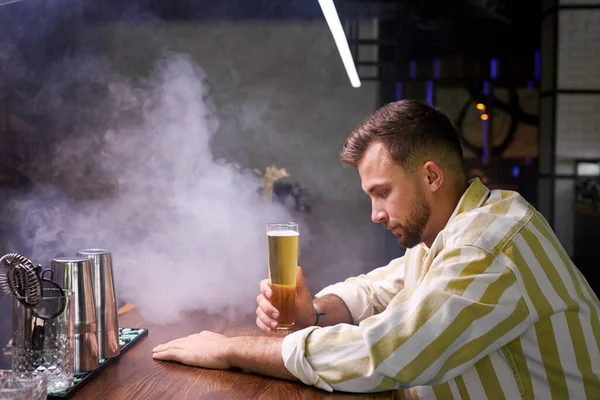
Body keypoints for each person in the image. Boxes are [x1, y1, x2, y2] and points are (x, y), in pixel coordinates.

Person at [153, 100, 600, 398]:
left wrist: (231, 350)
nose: (375, 213)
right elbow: (380, 288)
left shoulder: (488, 243)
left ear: (430, 177)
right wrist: (317, 312)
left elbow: (385, 352)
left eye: (382, 192)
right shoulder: (451, 230)